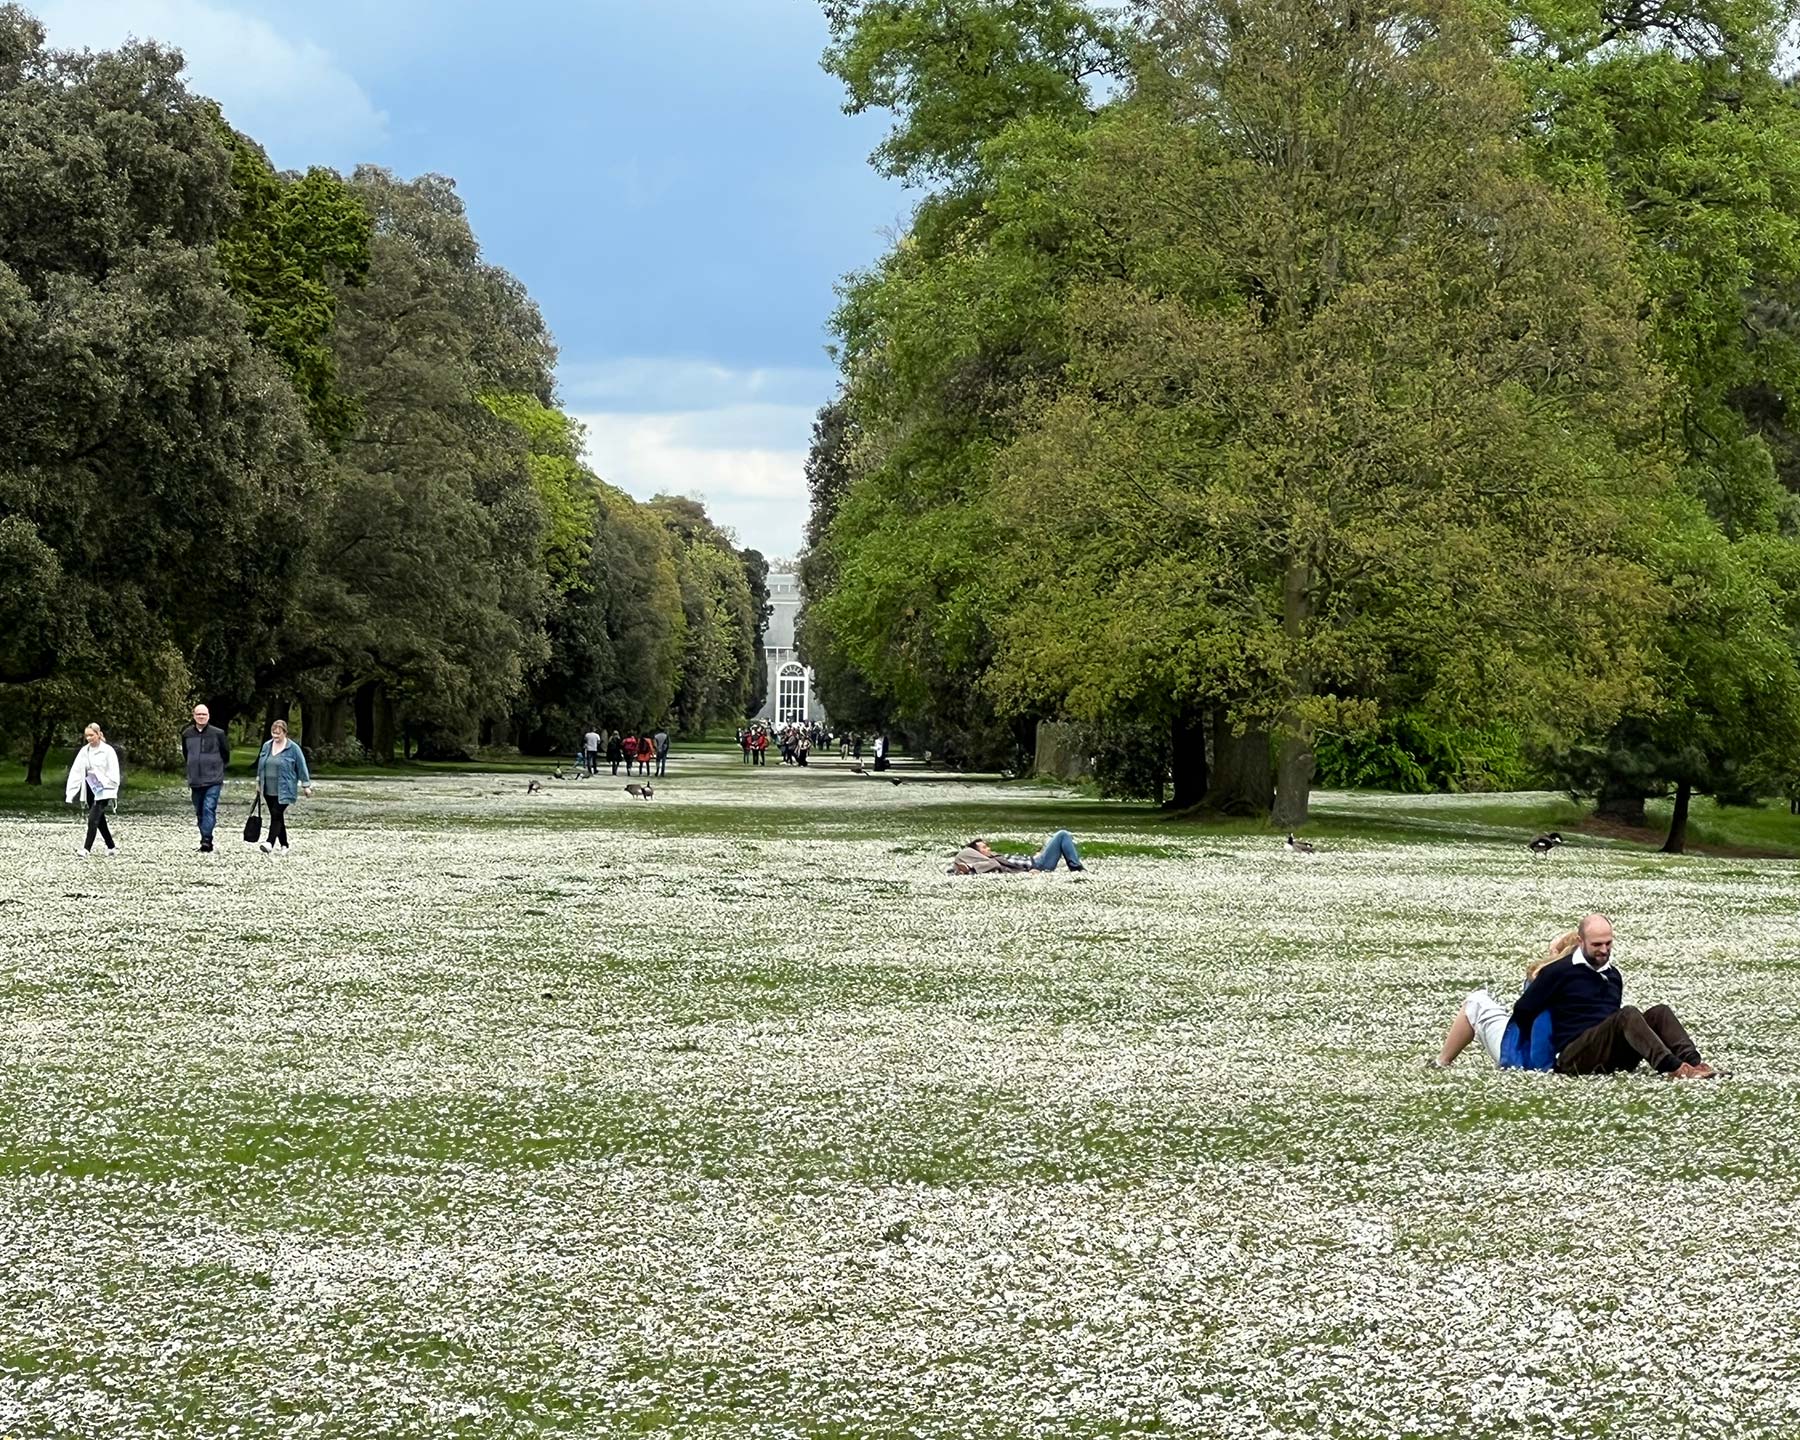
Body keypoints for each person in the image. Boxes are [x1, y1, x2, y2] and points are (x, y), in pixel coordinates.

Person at [1509, 914, 1717, 1079]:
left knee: (1659, 1012)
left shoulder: (1613, 975)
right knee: (1627, 1014)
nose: (1604, 950)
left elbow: (1610, 1020)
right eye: (1597, 945)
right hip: (1574, 1055)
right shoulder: (1558, 972)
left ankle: (1694, 1063)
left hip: (1609, 1053)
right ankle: (1674, 1068)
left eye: (1608, 944)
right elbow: (1523, 1010)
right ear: (1581, 942)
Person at [1429, 931, 1578, 1068]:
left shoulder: (1540, 979)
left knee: (1475, 1002)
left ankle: (1441, 1062)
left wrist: (1553, 954)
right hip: (1569, 1057)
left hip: (1519, 1055)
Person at [254, 719, 313, 855]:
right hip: (268, 788)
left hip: (285, 788)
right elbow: (261, 766)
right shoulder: (267, 746)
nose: (275, 736)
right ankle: (285, 845)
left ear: (285, 733)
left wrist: (306, 786)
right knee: (278, 817)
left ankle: (269, 842)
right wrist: (258, 782)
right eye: (273, 733)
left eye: (278, 734)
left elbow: (301, 766)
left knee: (276, 813)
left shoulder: (293, 748)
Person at [64, 723, 121, 858]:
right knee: (99, 819)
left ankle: (86, 848)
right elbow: (76, 772)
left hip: (105, 788)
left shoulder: (108, 751)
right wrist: (71, 793)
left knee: (93, 818)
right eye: (86, 736)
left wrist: (110, 785)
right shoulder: (85, 751)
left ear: (98, 734)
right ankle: (111, 846)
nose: (89, 738)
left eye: (91, 735)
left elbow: (114, 772)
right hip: (91, 787)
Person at [180, 703, 230, 854]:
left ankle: (206, 840)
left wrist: (218, 767)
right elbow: (186, 754)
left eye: (204, 714)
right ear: (194, 716)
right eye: (198, 714)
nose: (201, 717)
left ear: (208, 716)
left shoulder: (218, 733)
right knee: (200, 811)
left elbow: (225, 753)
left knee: (209, 808)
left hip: (213, 778)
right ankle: (205, 838)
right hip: (195, 778)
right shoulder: (187, 734)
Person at [949, 831, 1086, 875]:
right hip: (1038, 865)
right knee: (1062, 834)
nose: (988, 849)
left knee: (1060, 836)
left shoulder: (996, 858)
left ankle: (1075, 866)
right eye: (984, 848)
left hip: (1036, 860)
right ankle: (1075, 867)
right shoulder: (992, 863)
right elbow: (1008, 870)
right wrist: (1029, 871)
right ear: (977, 854)